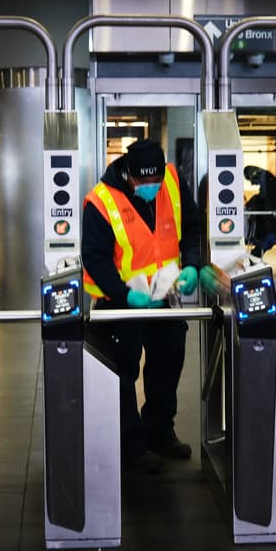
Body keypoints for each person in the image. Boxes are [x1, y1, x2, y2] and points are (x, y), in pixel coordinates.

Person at [82, 139, 203, 475]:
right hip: (121, 303)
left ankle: (159, 430)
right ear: (128, 174)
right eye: (143, 183)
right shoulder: (101, 201)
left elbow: (191, 230)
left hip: (163, 296)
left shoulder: (173, 183)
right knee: (122, 374)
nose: (151, 188)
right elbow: (95, 258)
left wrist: (191, 264)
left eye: (156, 182)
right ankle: (130, 446)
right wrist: (125, 295)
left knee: (168, 361)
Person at [244, 165, 276, 268]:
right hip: (274, 216)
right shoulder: (267, 178)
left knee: (271, 239)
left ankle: (253, 258)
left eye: (251, 180)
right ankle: (254, 258)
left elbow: (264, 198)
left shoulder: (265, 178)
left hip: (273, 216)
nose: (252, 183)